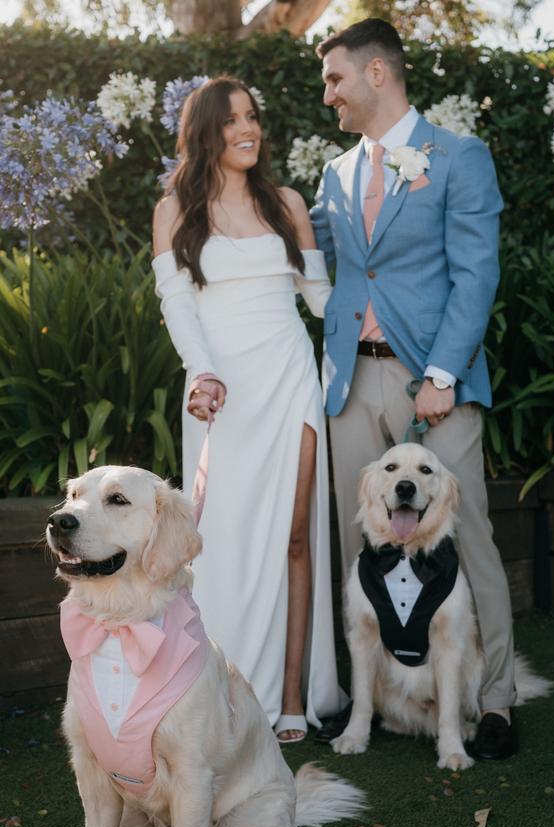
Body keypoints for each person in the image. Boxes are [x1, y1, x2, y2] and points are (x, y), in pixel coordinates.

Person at [310, 19, 517, 759]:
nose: (327, 92)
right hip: (349, 381)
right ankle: (363, 700)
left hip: (435, 378)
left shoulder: (459, 157)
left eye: (335, 77)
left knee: (470, 538)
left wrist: (441, 374)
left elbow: (476, 273)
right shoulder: (333, 173)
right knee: (359, 540)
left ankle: (493, 701)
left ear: (376, 74)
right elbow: (321, 263)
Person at [152, 76, 346, 743]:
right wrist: (200, 372)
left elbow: (321, 302)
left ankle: (293, 696)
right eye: (233, 118)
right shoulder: (174, 207)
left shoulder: (286, 202)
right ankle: (218, 693)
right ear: (205, 130)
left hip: (290, 375)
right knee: (222, 543)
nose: (248, 128)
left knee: (295, 534)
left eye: (253, 116)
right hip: (218, 392)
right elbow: (177, 304)